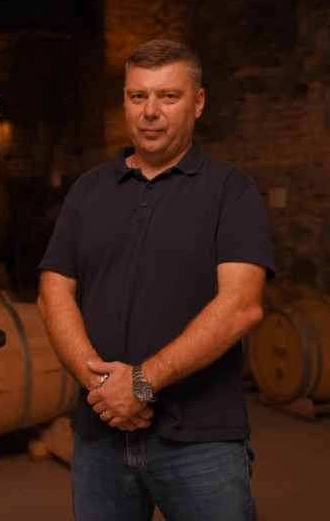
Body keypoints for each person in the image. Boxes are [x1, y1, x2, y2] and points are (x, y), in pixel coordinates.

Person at [37, 39, 275, 521]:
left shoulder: (231, 190)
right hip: (100, 435)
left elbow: (242, 304)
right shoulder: (88, 190)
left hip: (201, 441)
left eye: (168, 96)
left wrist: (142, 383)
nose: (150, 111)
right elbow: (52, 293)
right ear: (125, 101)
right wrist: (105, 389)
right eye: (137, 96)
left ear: (198, 102)